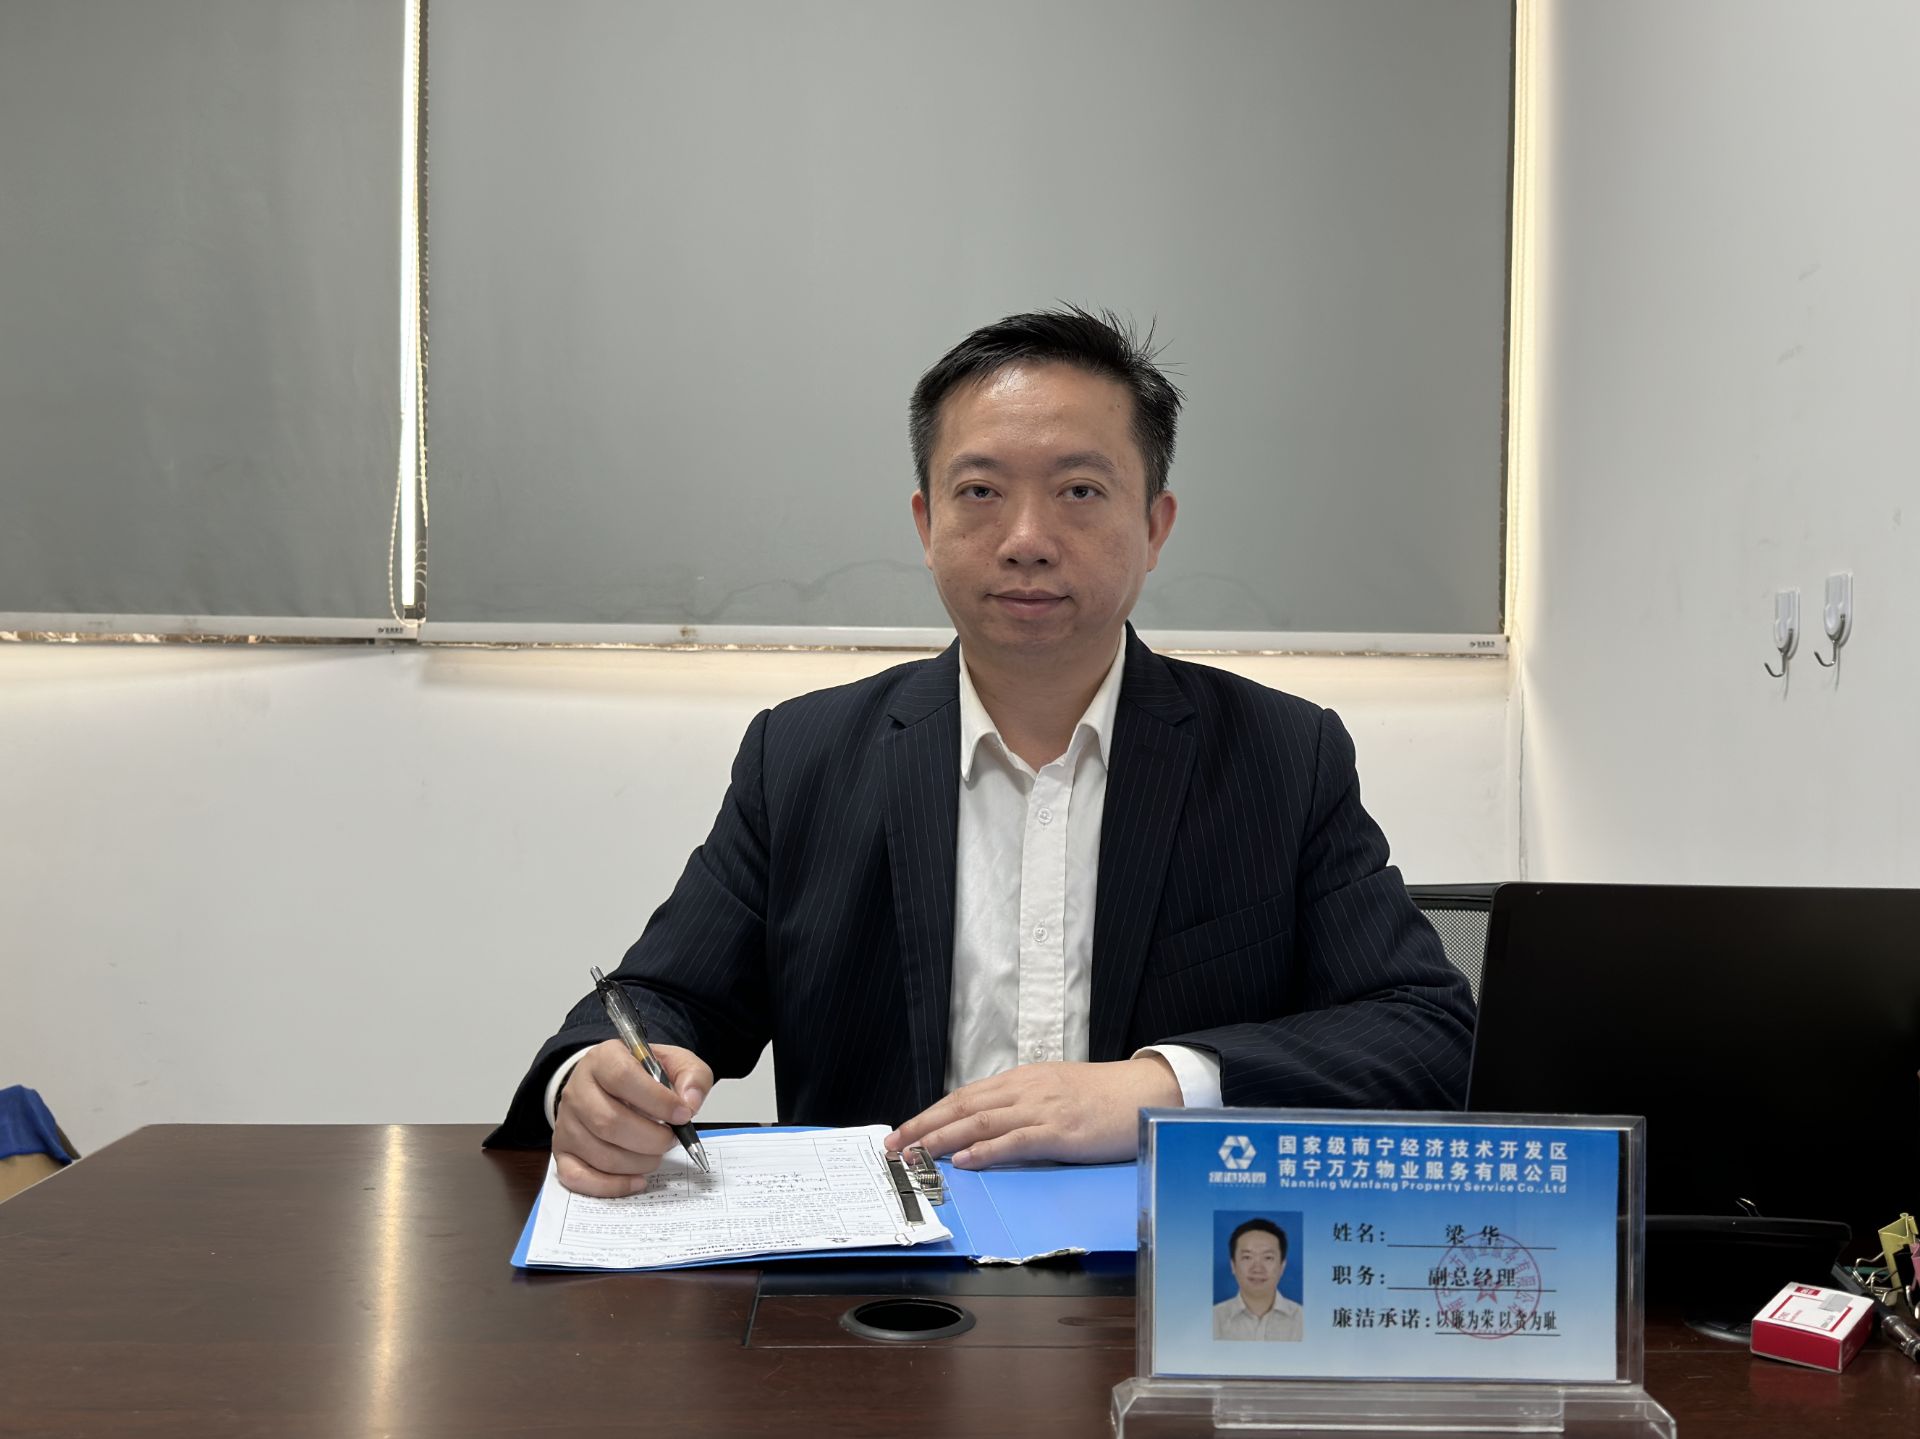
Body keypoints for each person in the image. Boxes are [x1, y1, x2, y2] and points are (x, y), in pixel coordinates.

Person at [485, 306, 1475, 1196]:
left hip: (1162, 1276)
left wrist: (1159, 1085)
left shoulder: (1278, 756)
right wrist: (597, 1080)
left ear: (1154, 526)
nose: (1027, 537)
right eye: (981, 491)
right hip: (882, 1295)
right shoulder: (805, 757)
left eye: (1080, 489)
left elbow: (1427, 1030)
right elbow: (660, 998)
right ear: (927, 523)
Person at [1214, 1218, 1303, 1341]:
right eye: (1247, 1257)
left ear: (1282, 1267)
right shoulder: (1213, 1319)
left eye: (1268, 1258)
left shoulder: (1304, 1320)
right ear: (1233, 1265)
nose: (1257, 1269)